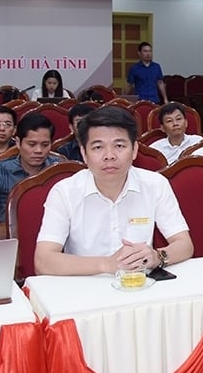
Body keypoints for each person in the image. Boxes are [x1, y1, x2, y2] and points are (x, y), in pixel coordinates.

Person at [35, 105, 193, 276]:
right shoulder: (64, 192)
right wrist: (107, 264)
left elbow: (184, 244)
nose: (109, 155)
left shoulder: (155, 184)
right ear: (84, 153)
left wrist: (157, 257)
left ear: (134, 151)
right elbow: (43, 261)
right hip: (83, 287)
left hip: (139, 285)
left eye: (119, 145)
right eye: (97, 147)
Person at [0, 111, 63, 221]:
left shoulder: (60, 168)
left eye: (45, 145)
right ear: (18, 142)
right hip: (13, 233)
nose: (39, 150)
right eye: (32, 144)